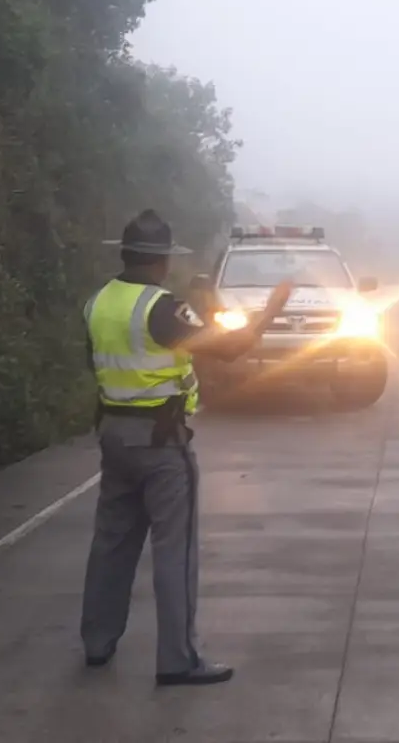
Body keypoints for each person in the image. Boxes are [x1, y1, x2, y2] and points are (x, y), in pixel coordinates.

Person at [80, 209, 292, 686]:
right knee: (174, 549)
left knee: (111, 542)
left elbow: (94, 363)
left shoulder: (98, 303)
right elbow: (229, 347)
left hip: (114, 434)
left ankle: (97, 642)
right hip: (160, 442)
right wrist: (272, 310)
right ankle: (178, 659)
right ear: (160, 261)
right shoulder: (160, 307)